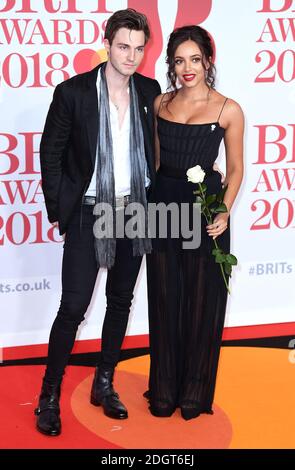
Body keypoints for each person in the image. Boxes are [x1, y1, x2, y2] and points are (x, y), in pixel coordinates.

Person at [35, 8, 161, 436]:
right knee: (73, 307)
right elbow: (50, 154)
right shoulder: (72, 93)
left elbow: (155, 152)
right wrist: (62, 210)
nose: (131, 56)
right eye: (123, 46)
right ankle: (48, 395)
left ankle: (103, 382)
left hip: (134, 210)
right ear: (107, 44)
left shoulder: (149, 89)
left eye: (139, 48)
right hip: (90, 211)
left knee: (121, 301)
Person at [145, 25, 244, 420]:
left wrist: (225, 210)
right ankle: (164, 387)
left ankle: (195, 390)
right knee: (165, 298)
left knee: (203, 300)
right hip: (163, 209)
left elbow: (235, 169)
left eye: (195, 60)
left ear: (208, 61)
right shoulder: (159, 104)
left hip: (206, 215)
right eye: (179, 60)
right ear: (171, 64)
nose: (187, 68)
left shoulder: (227, 109)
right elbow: (155, 163)